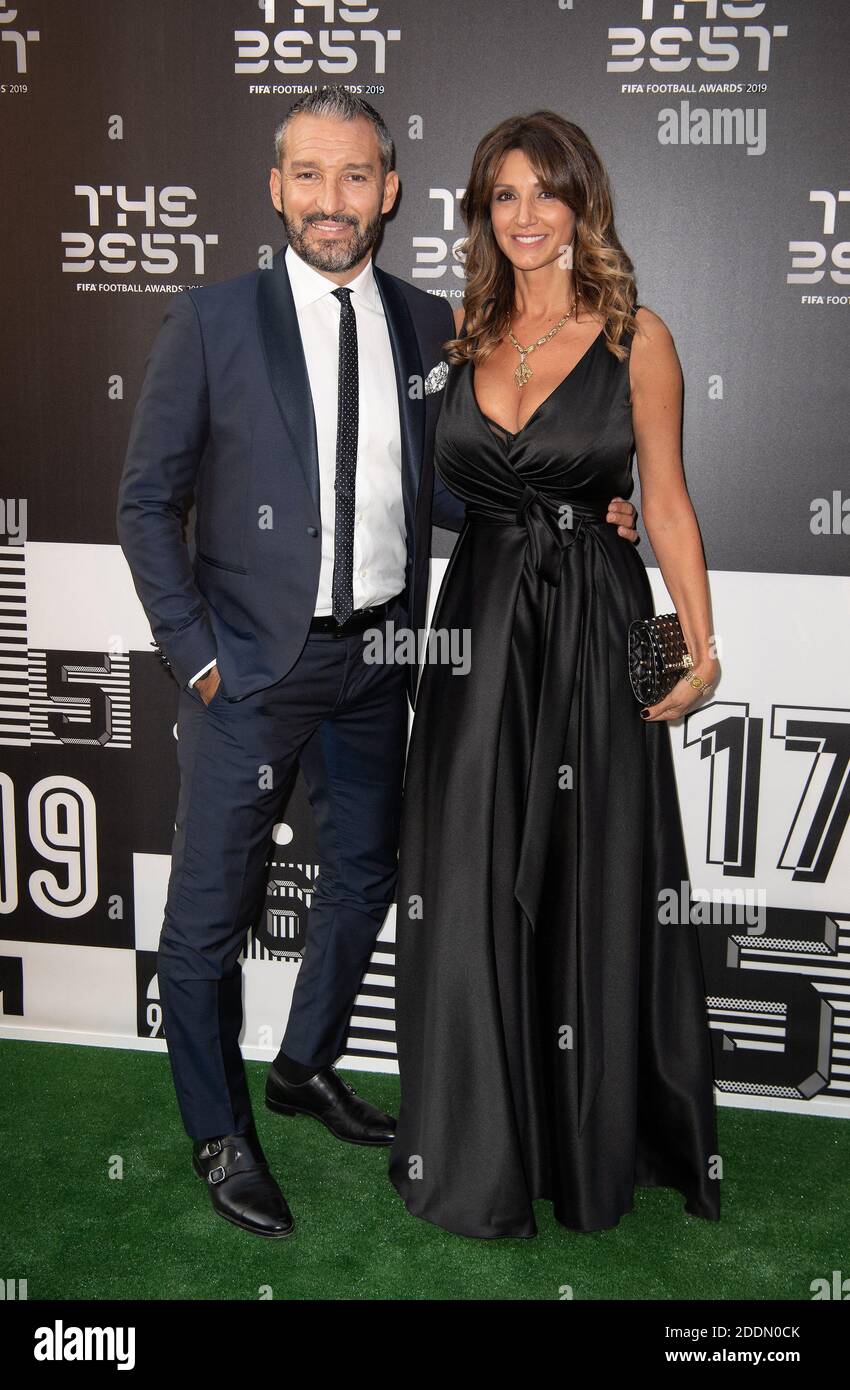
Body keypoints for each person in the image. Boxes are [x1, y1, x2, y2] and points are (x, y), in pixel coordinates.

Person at [117, 88, 640, 1239]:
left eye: (356, 177)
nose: (332, 201)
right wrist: (198, 659)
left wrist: (577, 505)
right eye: (308, 175)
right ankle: (218, 1130)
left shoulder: (424, 322)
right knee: (207, 920)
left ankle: (302, 1066)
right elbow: (146, 503)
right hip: (248, 674)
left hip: (384, 664)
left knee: (364, 878)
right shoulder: (209, 321)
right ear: (276, 187)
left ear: (389, 193)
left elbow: (452, 485)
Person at [388, 110, 723, 1238]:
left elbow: (664, 501)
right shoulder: (457, 338)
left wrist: (697, 641)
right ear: (483, 214)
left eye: (547, 193)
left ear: (583, 204)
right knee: (471, 872)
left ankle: (590, 1139)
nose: (526, 217)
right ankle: (481, 1142)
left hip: (589, 618)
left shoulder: (639, 339)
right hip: (477, 632)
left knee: (589, 878)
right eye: (503, 197)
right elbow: (436, 497)